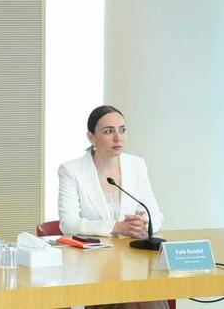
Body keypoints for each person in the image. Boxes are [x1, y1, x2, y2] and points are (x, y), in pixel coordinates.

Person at [58, 105, 167, 309]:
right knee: (132, 298)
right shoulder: (71, 170)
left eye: (122, 130)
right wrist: (116, 227)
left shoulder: (136, 165)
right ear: (91, 137)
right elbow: (68, 223)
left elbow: (155, 213)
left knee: (149, 292)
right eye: (109, 131)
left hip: (133, 260)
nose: (118, 138)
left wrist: (144, 224)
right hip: (92, 266)